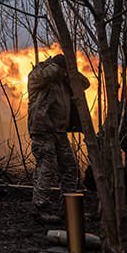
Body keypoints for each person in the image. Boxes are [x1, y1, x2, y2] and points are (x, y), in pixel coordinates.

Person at [27, 53, 90, 223]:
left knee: (70, 169)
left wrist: (70, 70)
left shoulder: (64, 79)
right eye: (62, 67)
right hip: (43, 130)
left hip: (59, 132)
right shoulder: (38, 74)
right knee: (47, 168)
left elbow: (85, 83)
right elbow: (48, 74)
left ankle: (69, 209)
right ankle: (40, 209)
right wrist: (57, 64)